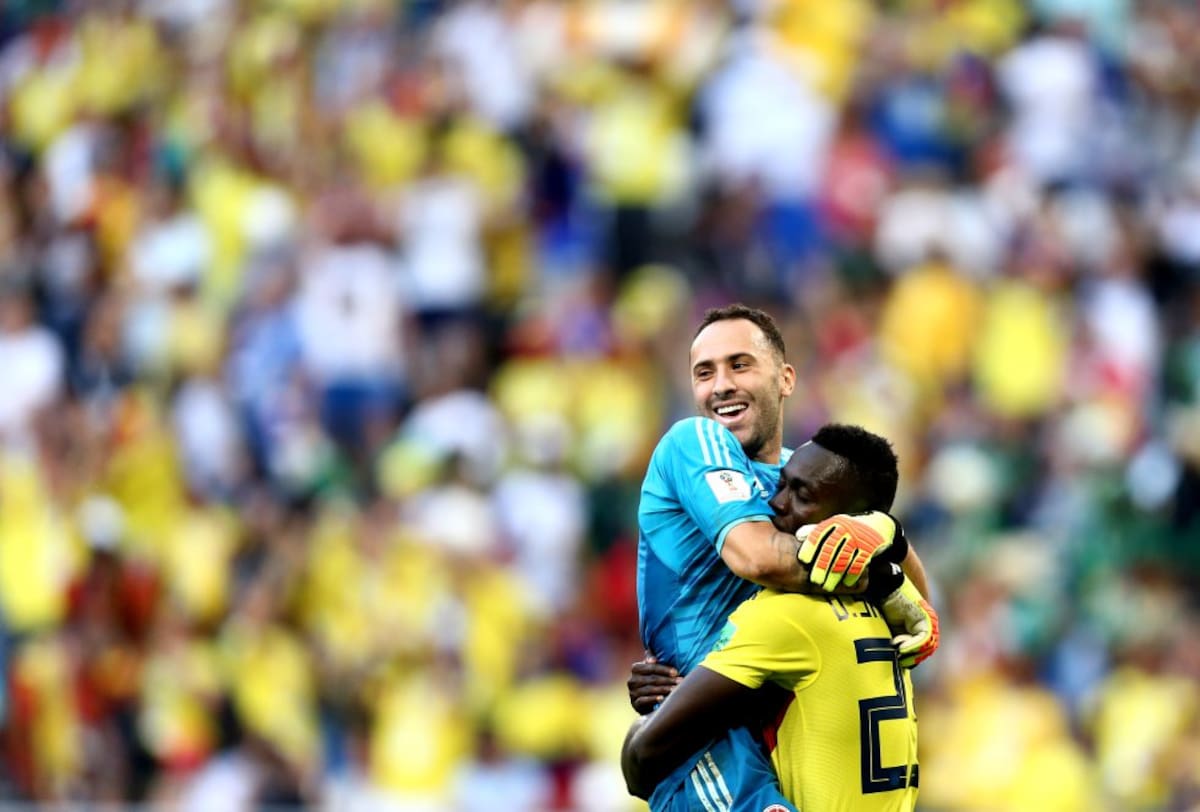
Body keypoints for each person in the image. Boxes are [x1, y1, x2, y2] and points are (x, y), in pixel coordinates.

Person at [633, 304, 934, 811]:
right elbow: (758, 558)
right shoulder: (694, 441)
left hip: (775, 732)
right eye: (704, 373)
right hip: (710, 744)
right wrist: (885, 574)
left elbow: (915, 604)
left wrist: (889, 534)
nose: (721, 385)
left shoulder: (804, 478)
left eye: (740, 364)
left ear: (786, 378)